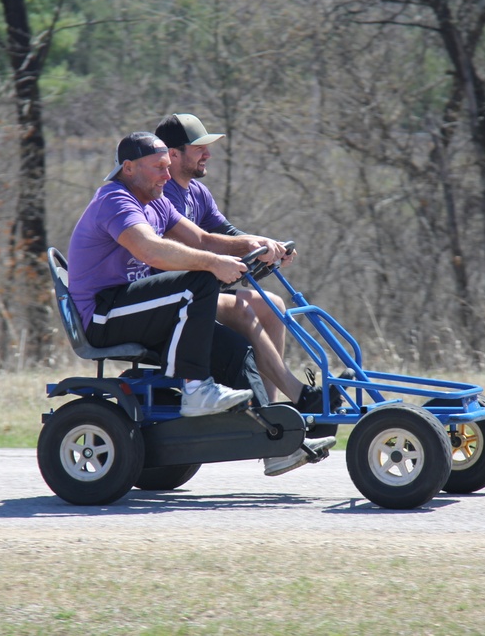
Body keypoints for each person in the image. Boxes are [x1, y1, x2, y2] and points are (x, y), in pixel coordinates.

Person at [68, 132, 334, 473]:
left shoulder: (156, 200)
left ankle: (276, 442)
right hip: (104, 315)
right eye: (158, 167)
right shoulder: (115, 200)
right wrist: (212, 264)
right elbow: (150, 250)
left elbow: (204, 239)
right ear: (129, 168)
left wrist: (257, 244)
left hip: (138, 310)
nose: (167, 175)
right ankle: (195, 389)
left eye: (168, 167)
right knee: (200, 278)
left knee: (237, 348)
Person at [154, 113, 343, 414]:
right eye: (199, 148)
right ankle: (297, 394)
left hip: (200, 291)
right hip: (175, 296)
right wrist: (253, 246)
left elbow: (229, 233)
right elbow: (201, 244)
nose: (208, 154)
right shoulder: (163, 195)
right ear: (173, 154)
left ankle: (273, 409)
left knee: (274, 304)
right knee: (242, 309)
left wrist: (268, 245)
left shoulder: (198, 193)